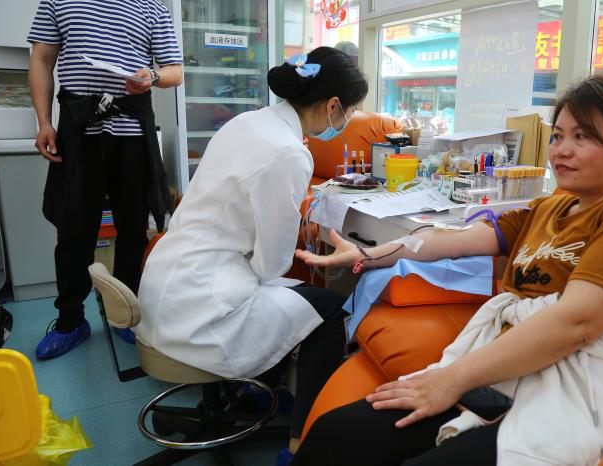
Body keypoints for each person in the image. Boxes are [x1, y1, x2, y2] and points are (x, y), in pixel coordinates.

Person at [292, 74, 603, 466]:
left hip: (583, 385)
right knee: (336, 434)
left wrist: (451, 380)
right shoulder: (549, 208)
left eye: (582, 137)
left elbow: (577, 324)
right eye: (557, 136)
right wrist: (366, 254)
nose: (562, 151)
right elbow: (451, 241)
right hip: (509, 371)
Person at [136, 47, 368, 465]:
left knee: (292, 299)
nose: (347, 121)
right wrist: (299, 237)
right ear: (332, 105)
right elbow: (270, 267)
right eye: (350, 111)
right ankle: (301, 443)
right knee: (329, 310)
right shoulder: (290, 152)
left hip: (164, 282)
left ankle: (254, 393)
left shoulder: (248, 122)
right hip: (199, 304)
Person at [28, 0, 184, 360]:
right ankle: (70, 320)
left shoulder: (153, 7)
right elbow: (42, 59)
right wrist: (43, 122)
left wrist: (152, 77)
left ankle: (126, 315)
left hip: (133, 129)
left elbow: (175, 71)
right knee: (72, 227)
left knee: (133, 228)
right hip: (77, 126)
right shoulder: (57, 1)